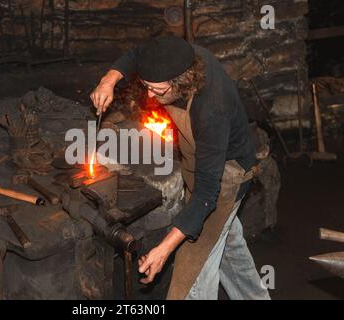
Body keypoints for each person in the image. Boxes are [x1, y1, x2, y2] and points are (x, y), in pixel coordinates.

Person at [90, 36, 270, 300]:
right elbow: (138, 52)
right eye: (146, 86)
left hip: (227, 177)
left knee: (192, 279)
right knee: (229, 248)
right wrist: (109, 80)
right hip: (199, 163)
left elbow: (207, 196)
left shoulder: (212, 109)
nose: (149, 95)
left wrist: (164, 249)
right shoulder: (177, 56)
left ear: (180, 81)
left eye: (157, 90)